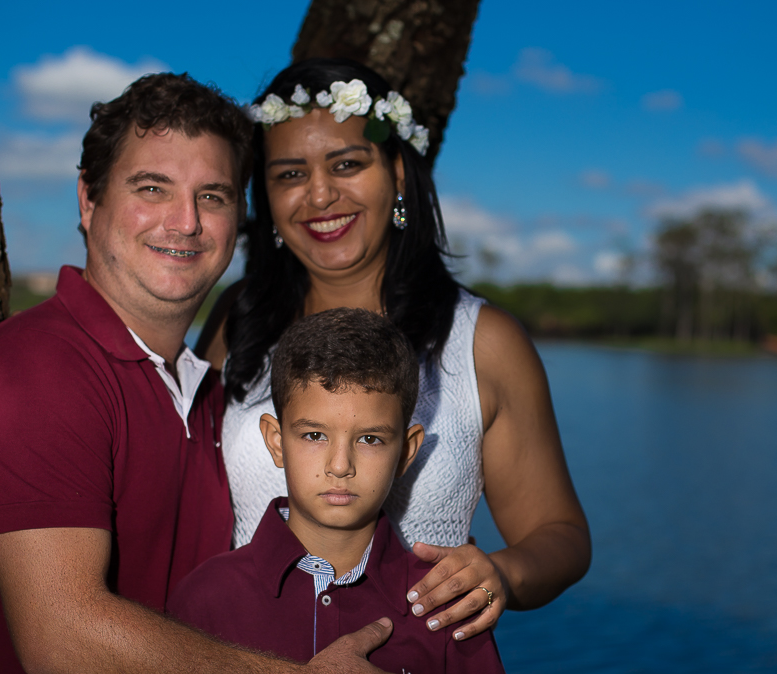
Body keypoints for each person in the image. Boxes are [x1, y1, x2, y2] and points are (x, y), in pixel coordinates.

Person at [0, 72, 431, 674]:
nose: (185, 223)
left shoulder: (207, 392)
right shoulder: (35, 372)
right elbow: (61, 634)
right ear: (88, 201)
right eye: (152, 188)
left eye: (212, 197)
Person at [199, 58, 591, 642]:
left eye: (347, 164)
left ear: (399, 173)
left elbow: (560, 535)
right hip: (249, 669)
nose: (320, 194)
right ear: (269, 200)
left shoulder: (483, 341)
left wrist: (501, 575)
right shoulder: (239, 320)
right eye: (290, 174)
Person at [164, 308, 528, 674]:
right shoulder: (206, 600)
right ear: (276, 441)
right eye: (314, 435)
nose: (340, 465)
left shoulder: (446, 600)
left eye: (370, 439)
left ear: (407, 451)